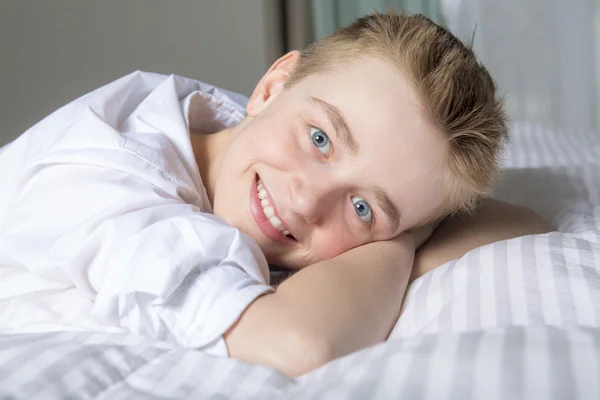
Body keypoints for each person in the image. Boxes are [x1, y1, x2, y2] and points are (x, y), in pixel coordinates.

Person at [0, 13, 547, 376]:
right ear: (273, 86)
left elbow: (521, 220)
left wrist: (399, 225)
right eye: (320, 139)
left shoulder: (251, 133)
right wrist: (401, 239)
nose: (308, 202)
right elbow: (295, 345)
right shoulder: (108, 183)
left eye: (361, 207)